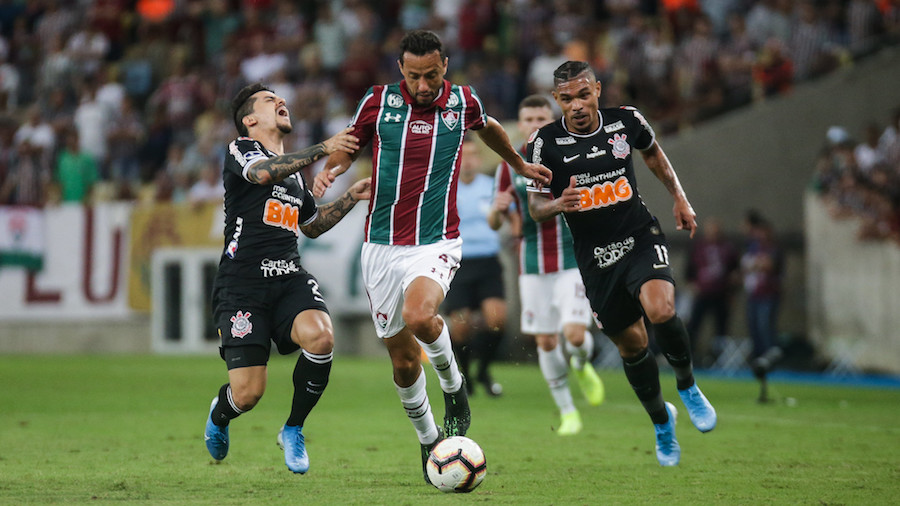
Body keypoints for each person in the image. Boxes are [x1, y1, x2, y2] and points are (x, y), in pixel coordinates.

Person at [313, 30, 551, 484]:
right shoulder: (378, 102)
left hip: (436, 240)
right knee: (402, 363)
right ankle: (428, 441)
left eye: (432, 74)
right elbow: (349, 145)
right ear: (401, 69)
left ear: (445, 64)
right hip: (381, 245)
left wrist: (518, 164)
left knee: (421, 316)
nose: (424, 85)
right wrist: (331, 171)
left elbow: (492, 130)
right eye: (415, 76)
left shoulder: (464, 102)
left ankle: (454, 388)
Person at [526, 61, 717, 467]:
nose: (576, 105)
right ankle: (662, 422)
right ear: (557, 100)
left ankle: (688, 386)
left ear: (597, 89)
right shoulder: (544, 143)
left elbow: (654, 155)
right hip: (596, 259)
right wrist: (559, 204)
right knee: (633, 345)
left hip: (638, 237)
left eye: (583, 94)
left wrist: (679, 198)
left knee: (661, 308)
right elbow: (535, 207)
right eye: (566, 99)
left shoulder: (625, 121)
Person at [204, 83, 369, 475]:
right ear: (249, 120)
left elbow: (311, 226)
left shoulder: (295, 176)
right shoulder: (241, 150)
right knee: (247, 394)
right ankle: (220, 414)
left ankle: (293, 428)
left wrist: (350, 197)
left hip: (288, 276)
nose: (280, 101)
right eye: (268, 100)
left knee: (322, 336)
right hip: (241, 284)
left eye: (280, 97)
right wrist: (323, 148)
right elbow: (261, 174)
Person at [489, 95, 605, 436]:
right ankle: (568, 412)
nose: (535, 124)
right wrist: (497, 210)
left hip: (573, 257)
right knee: (546, 342)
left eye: (542, 117)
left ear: (552, 120)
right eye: (529, 119)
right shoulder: (508, 166)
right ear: (519, 124)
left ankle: (582, 365)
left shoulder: (571, 153)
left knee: (573, 334)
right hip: (532, 263)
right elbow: (495, 221)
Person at [442, 139, 507, 398]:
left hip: (488, 262)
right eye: (462, 156)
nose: (467, 161)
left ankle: (483, 370)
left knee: (497, 321)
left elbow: (502, 218)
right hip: (457, 264)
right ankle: (466, 376)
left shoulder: (490, 187)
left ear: (479, 159)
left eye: (472, 155)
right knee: (460, 326)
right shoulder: (445, 188)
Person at [684, 216, 740, 366]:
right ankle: (690, 356)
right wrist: (692, 285)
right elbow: (689, 269)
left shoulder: (728, 248)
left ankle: (718, 358)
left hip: (721, 294)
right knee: (694, 326)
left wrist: (732, 291)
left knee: (721, 328)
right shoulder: (698, 247)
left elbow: (735, 271)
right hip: (702, 293)